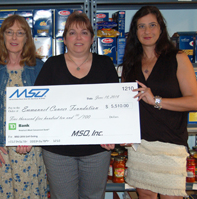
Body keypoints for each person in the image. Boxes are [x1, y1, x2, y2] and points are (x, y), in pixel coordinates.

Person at [34, 11, 119, 199]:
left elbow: (116, 105)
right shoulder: (52, 65)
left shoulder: (105, 64)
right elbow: (37, 105)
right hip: (58, 153)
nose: (78, 38)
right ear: (64, 39)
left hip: (97, 150)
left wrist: (114, 132)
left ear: (92, 38)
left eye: (84, 32)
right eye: (72, 32)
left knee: (94, 196)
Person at [121, 6, 197, 199]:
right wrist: (124, 132)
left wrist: (156, 100)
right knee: (145, 195)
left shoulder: (178, 58)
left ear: (161, 28)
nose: (147, 31)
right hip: (141, 147)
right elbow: (126, 107)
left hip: (170, 146)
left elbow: (194, 102)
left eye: (152, 25)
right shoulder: (130, 64)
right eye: (141, 26)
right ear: (135, 32)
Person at [0, 14, 47, 199]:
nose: (14, 38)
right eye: (9, 32)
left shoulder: (39, 67)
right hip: (1, 146)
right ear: (2, 36)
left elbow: (46, 108)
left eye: (20, 33)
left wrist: (33, 136)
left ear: (27, 38)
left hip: (31, 146)